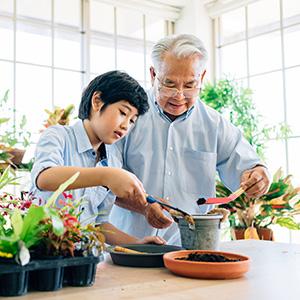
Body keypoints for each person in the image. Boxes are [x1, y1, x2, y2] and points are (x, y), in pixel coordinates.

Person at [108, 34, 271, 245]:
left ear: (202, 77)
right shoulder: (127, 117)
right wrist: (144, 206)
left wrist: (258, 175)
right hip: (129, 246)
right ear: (152, 74)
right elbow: (104, 181)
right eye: (169, 84)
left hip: (191, 247)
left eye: (189, 85)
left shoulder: (214, 124)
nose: (179, 95)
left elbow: (248, 168)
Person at [30, 70, 165, 245]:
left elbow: (99, 224)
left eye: (132, 121)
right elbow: (44, 178)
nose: (125, 126)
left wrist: (137, 244)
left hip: (85, 258)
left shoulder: (113, 160)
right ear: (97, 101)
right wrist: (106, 176)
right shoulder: (58, 136)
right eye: (123, 113)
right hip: (45, 253)